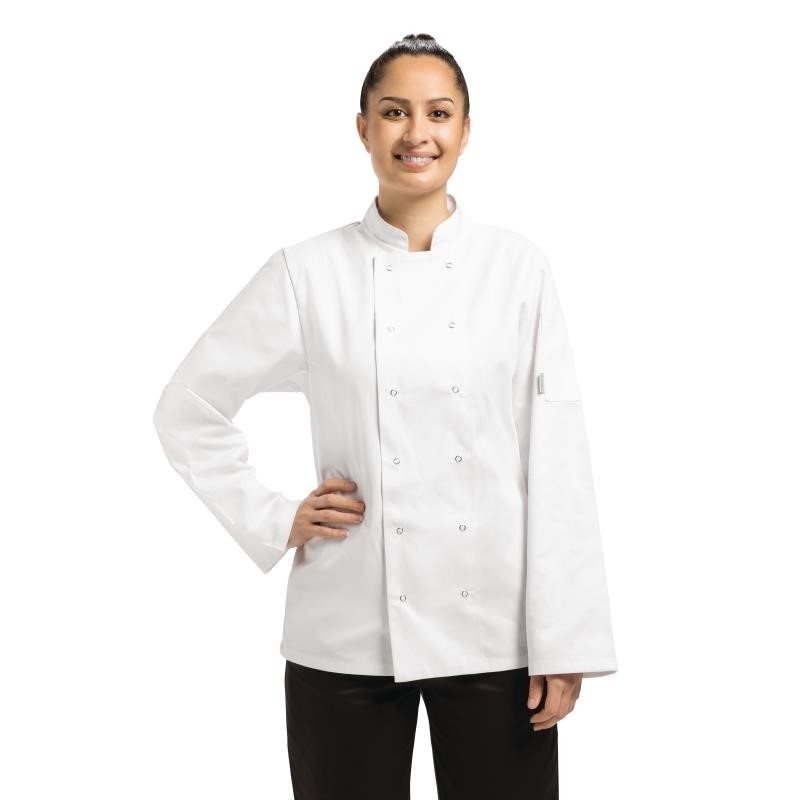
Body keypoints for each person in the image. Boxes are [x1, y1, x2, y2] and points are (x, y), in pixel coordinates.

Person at [153, 32, 617, 800]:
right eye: (395, 112)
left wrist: (566, 638)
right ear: (363, 127)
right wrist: (275, 517)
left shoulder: (517, 270)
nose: (417, 133)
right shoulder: (307, 273)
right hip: (347, 628)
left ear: (466, 129)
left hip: (496, 629)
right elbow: (188, 407)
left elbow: (556, 458)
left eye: (438, 113)